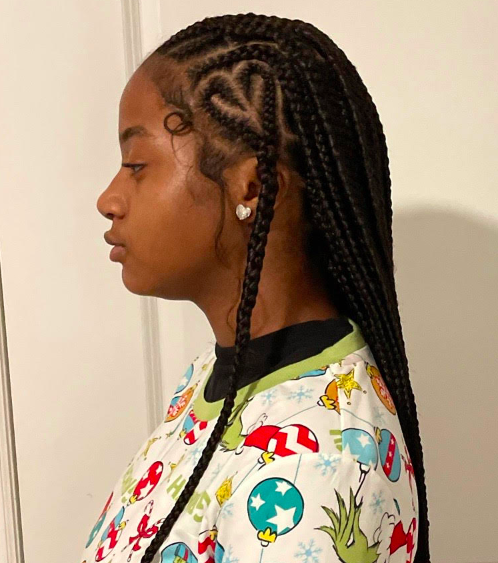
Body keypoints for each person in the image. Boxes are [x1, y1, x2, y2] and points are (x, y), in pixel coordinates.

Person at [88, 12, 430, 563]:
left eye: (136, 163)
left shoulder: (323, 459)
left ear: (250, 184)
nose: (109, 197)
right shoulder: (214, 375)